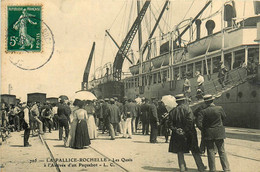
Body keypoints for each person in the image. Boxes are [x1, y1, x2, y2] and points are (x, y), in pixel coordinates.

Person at [168, 94, 206, 172]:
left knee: (180, 151)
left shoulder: (172, 111)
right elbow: (190, 121)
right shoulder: (188, 109)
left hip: (177, 134)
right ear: (184, 100)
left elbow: (169, 124)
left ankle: (182, 168)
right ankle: (201, 167)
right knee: (195, 150)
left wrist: (176, 130)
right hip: (189, 134)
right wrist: (184, 130)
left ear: (177, 102)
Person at [197, 95, 230, 172]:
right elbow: (224, 117)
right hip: (219, 132)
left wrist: (205, 130)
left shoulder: (203, 111)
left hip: (209, 133)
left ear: (205, 102)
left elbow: (199, 124)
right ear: (212, 101)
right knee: (222, 150)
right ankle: (226, 168)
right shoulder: (219, 108)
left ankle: (212, 169)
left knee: (210, 151)